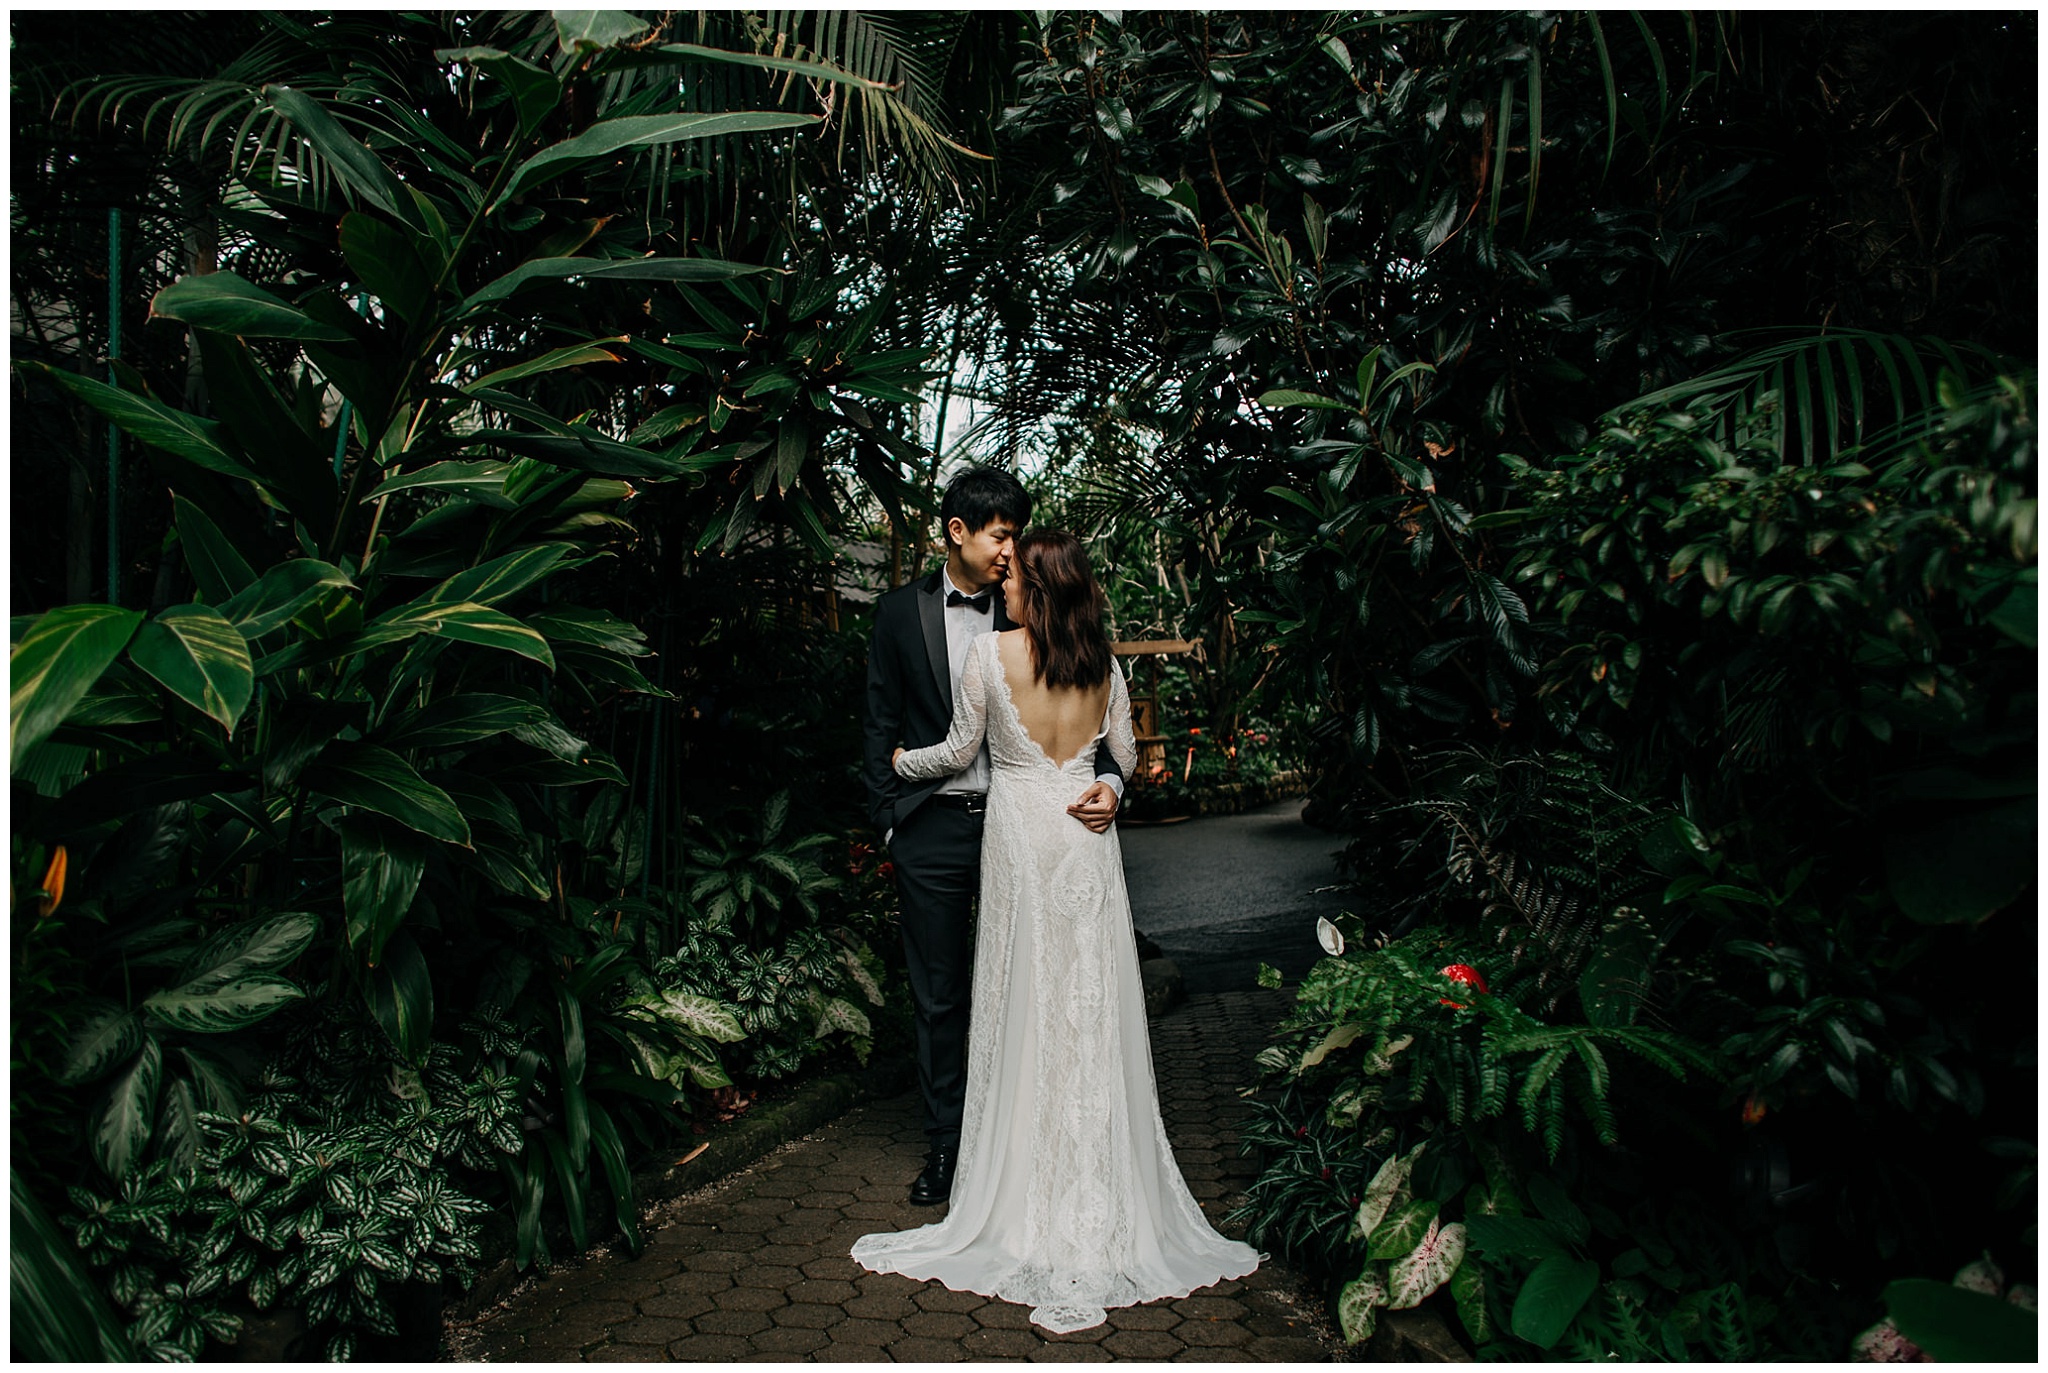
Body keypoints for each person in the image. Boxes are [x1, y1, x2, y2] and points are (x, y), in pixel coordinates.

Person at [852, 529, 1259, 1334]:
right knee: (1090, 1009)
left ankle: (1024, 1193)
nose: (999, 584)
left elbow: (960, 751)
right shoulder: (1106, 665)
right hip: (1085, 843)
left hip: (1021, 840)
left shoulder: (991, 658)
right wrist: (1108, 786)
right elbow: (1125, 759)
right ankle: (1097, 1188)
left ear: (1036, 589)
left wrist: (901, 763)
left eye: (1010, 576)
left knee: (1024, 1005)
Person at [861, 469, 1124, 1210]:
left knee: (1034, 987)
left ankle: (1032, 1146)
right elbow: (878, 724)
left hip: (1033, 827)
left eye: (1016, 535)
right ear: (958, 532)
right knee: (939, 994)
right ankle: (949, 1146)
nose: (1011, 551)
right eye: (1001, 534)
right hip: (935, 826)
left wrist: (1113, 780)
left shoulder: (1033, 605)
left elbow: (1087, 701)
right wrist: (889, 818)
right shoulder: (896, 614)